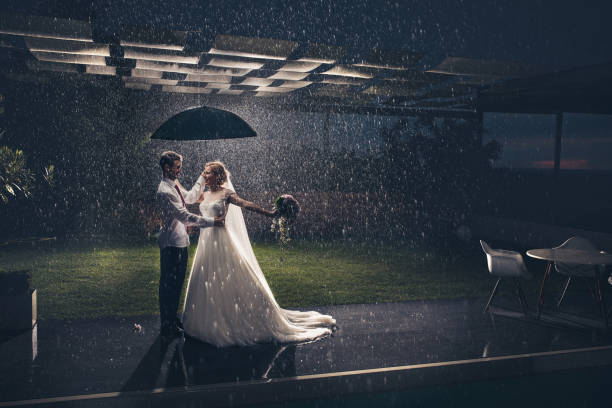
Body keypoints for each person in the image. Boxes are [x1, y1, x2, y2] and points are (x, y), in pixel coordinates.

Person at [182, 161, 336, 347]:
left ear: (218, 175)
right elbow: (187, 197)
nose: (204, 176)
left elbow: (246, 204)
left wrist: (270, 213)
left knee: (233, 279)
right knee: (205, 279)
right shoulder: (204, 194)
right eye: (204, 173)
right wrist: (175, 184)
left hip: (222, 241)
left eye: (207, 173)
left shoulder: (226, 193)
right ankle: (207, 321)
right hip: (206, 243)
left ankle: (234, 320)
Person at [156, 151, 224, 342]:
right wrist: (212, 221)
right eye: (177, 167)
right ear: (166, 168)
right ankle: (166, 325)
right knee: (168, 286)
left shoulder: (174, 185)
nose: (179, 170)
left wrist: (202, 178)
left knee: (176, 285)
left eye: (180, 166)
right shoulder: (164, 191)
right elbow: (185, 216)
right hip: (171, 244)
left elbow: (191, 197)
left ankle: (172, 320)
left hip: (180, 242)